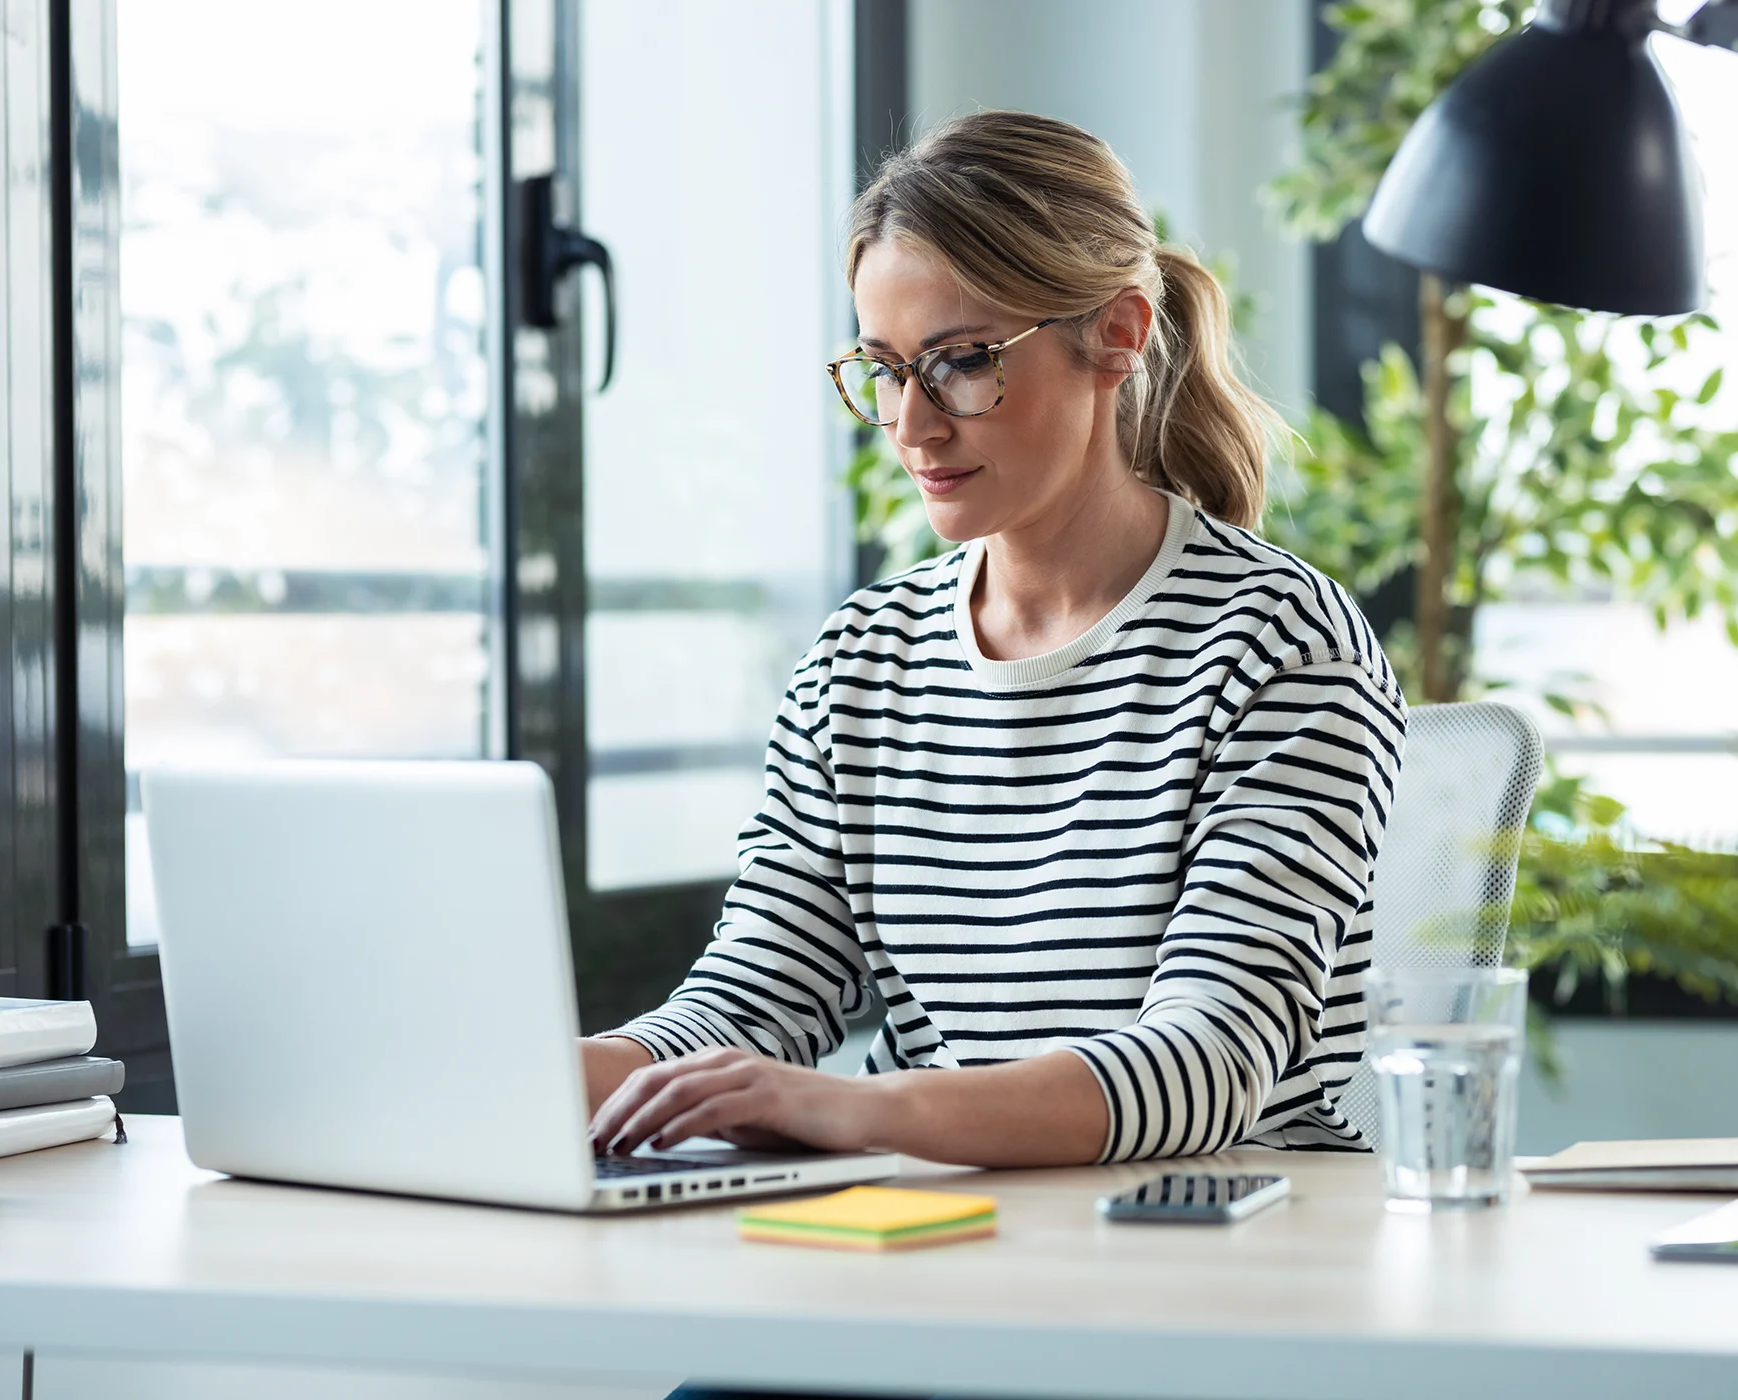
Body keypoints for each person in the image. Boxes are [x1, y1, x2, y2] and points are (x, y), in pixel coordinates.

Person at [582, 110, 1405, 1169]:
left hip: (1211, 1257)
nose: (914, 426)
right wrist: (532, 1072)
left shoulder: (1281, 645)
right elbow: (748, 1006)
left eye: (962, 361)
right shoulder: (860, 664)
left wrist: (852, 1108)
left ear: (1117, 333)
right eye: (883, 368)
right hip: (944, 1241)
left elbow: (1208, 1061)